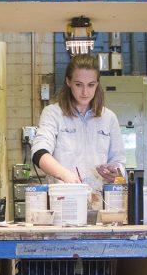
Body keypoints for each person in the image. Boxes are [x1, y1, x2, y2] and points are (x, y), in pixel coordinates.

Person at [31, 53, 126, 192]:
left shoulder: (109, 118)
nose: (85, 92)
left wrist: (115, 173)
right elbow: (39, 153)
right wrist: (64, 174)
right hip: (64, 198)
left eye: (91, 85)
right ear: (68, 82)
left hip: (99, 200)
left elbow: (119, 163)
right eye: (79, 85)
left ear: (97, 84)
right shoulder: (53, 113)